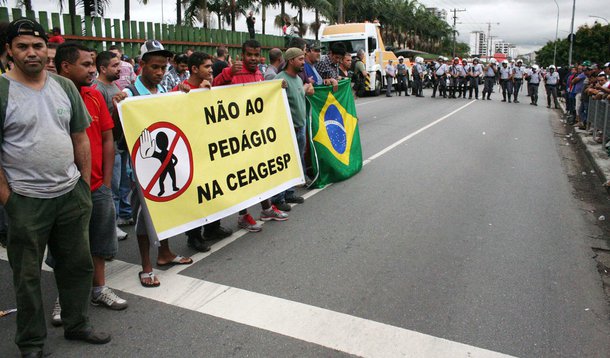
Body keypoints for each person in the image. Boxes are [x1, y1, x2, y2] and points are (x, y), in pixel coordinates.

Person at [1, 18, 111, 357]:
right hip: (26, 201)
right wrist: (10, 201)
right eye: (22, 46)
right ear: (9, 51)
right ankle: (31, 343)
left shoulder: (63, 87)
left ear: (46, 49)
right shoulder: (3, 91)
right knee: (28, 275)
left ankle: (77, 324)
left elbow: (80, 136)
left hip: (70, 195)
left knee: (77, 265)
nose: (32, 53)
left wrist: (82, 188)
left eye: (37, 46)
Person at [56, 42, 128, 312]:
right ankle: (65, 299)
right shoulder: (53, 98)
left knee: (99, 241)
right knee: (68, 246)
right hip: (64, 188)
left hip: (98, 185)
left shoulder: (95, 96)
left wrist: (107, 182)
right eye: (86, 64)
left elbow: (107, 139)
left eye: (93, 64)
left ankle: (99, 289)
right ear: (66, 66)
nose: (92, 70)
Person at [115, 40, 194, 287]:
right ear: (142, 65)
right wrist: (117, 108)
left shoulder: (161, 94)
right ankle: (146, 266)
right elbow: (118, 134)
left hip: (163, 164)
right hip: (140, 170)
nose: (160, 72)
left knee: (165, 208)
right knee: (142, 217)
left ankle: (165, 253)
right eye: (155, 67)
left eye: (163, 67)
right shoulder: (129, 95)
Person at [213, 39, 289, 232]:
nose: (253, 58)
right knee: (242, 178)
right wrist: (229, 73)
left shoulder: (258, 73)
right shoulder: (232, 73)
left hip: (255, 135)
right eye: (250, 55)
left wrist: (277, 89)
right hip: (237, 137)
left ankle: (266, 209)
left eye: (256, 55)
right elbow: (214, 88)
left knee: (259, 173)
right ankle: (242, 216)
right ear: (242, 55)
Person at [170, 52, 233, 250]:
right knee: (196, 193)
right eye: (206, 66)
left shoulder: (210, 88)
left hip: (211, 148)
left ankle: (213, 227)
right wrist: (187, 95)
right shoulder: (179, 90)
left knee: (214, 188)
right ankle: (194, 235)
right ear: (194, 69)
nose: (210, 70)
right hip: (191, 150)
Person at [92, 51, 131, 241]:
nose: (119, 69)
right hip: (110, 148)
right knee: (112, 187)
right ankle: (111, 226)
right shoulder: (97, 89)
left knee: (122, 184)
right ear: (103, 68)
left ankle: (119, 217)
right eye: (115, 66)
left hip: (119, 145)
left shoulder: (113, 86)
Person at [275, 48, 314, 184]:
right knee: (289, 157)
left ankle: (301, 178)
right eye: (301, 59)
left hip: (301, 125)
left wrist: (306, 88)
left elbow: (301, 95)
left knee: (300, 154)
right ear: (291, 61)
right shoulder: (280, 79)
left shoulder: (298, 79)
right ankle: (287, 187)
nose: (304, 62)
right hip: (288, 128)